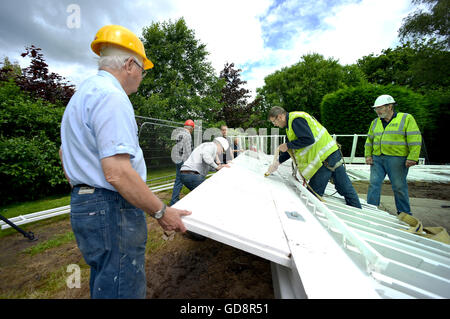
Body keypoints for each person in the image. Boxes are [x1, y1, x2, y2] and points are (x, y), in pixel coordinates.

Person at [59, 25, 191, 299]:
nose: (142, 78)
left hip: (87, 205)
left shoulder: (82, 95)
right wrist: (161, 212)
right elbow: (118, 173)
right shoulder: (111, 96)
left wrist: (83, 186)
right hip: (111, 207)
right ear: (130, 64)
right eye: (142, 70)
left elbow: (64, 153)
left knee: (107, 281)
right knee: (123, 288)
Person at [266, 106, 362, 209]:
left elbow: (308, 139)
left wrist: (288, 145)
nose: (275, 124)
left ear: (280, 116)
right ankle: (358, 211)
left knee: (312, 196)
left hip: (325, 160)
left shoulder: (295, 121)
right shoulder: (291, 124)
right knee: (345, 188)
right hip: (331, 154)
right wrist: (277, 162)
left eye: (274, 121)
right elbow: (292, 148)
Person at [365, 94, 422, 216]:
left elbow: (415, 138)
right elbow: (369, 140)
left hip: (397, 160)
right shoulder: (375, 123)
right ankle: (370, 211)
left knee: (399, 186)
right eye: (376, 108)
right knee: (373, 184)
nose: (377, 111)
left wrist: (413, 157)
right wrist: (368, 155)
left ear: (390, 106)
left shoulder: (406, 118)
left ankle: (404, 214)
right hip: (377, 159)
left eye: (380, 108)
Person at [169, 119, 194, 205]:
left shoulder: (179, 134)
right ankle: (174, 200)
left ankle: (174, 200)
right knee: (190, 178)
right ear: (191, 128)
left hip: (177, 159)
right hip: (183, 160)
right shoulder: (188, 135)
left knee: (179, 180)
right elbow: (188, 150)